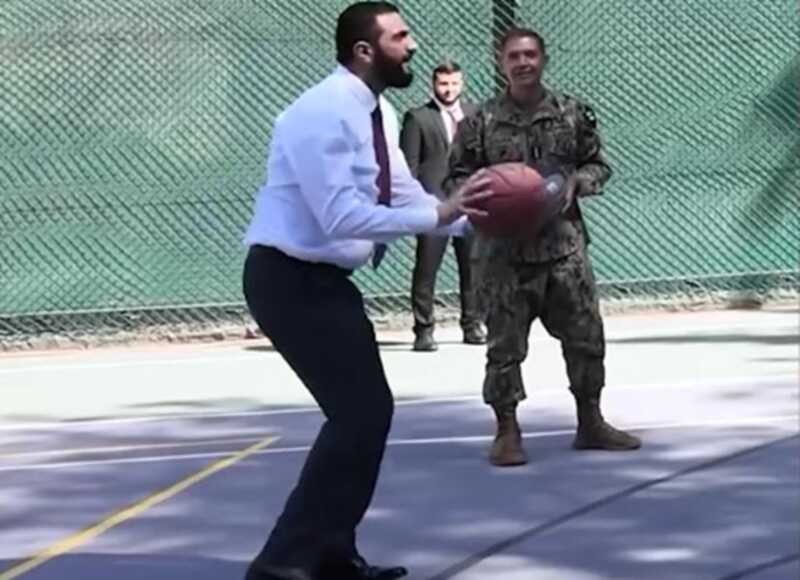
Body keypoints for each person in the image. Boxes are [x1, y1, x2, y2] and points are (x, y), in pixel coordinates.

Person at [241, 3, 491, 579]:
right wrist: (442, 213)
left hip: (323, 282)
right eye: (400, 36)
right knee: (359, 413)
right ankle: (282, 562)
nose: (412, 44)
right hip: (287, 279)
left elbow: (404, 196)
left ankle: (330, 554)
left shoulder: (377, 110)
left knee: (367, 414)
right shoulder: (321, 112)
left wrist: (473, 217)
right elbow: (340, 217)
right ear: (364, 50)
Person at [445, 27, 641, 467]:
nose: (522, 62)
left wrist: (577, 182)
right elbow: (455, 177)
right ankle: (507, 430)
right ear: (501, 63)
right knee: (504, 347)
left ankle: (591, 421)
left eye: (530, 54)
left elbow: (598, 165)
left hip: (563, 250)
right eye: (514, 56)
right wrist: (488, 194)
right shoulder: (479, 122)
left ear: (544, 59)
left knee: (586, 339)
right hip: (503, 255)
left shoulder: (572, 113)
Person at [400, 62, 485, 352]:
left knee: (472, 267)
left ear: (462, 84)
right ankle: (424, 330)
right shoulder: (417, 118)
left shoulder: (475, 115)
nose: (449, 90)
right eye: (443, 84)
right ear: (433, 85)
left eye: (454, 83)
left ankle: (472, 325)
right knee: (427, 268)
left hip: (469, 204)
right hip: (432, 206)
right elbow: (409, 167)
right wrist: (414, 204)